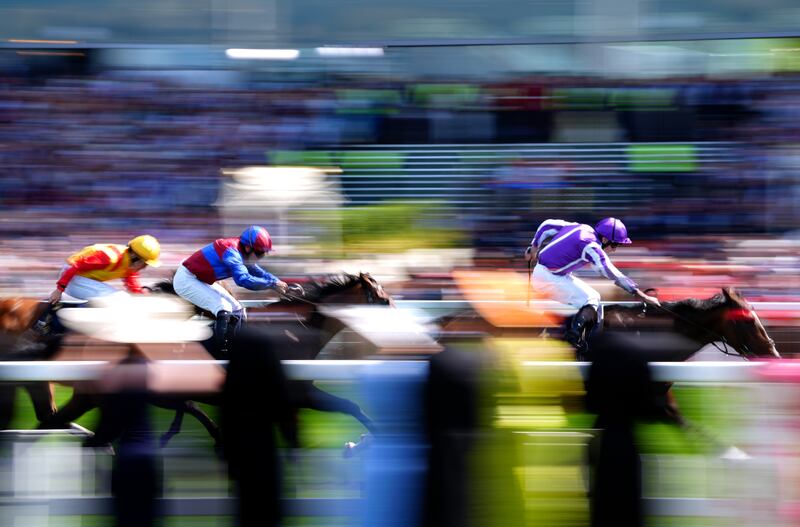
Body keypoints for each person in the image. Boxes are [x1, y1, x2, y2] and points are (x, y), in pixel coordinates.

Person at [525, 217, 659, 354]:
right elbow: (610, 272)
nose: (614, 250)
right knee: (590, 299)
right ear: (605, 240)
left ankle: (586, 343)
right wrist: (640, 295)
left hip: (551, 275)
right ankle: (573, 341)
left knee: (595, 299)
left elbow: (547, 225)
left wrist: (534, 247)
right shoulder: (591, 246)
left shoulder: (581, 227)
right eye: (615, 245)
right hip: (547, 278)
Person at [173, 225, 288, 353]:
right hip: (186, 279)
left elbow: (256, 271)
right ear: (248, 247)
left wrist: (277, 282)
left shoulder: (243, 251)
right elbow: (243, 280)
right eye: (260, 252)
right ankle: (223, 351)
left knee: (237, 309)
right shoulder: (231, 251)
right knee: (224, 308)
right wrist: (272, 284)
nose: (261, 256)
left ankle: (236, 345)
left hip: (200, 279)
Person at [48, 235, 162, 304]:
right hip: (70, 277)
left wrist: (144, 297)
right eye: (145, 264)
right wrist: (59, 290)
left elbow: (134, 287)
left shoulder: (129, 266)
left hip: (79, 280)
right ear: (135, 257)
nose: (144, 267)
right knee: (118, 298)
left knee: (123, 298)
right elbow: (75, 266)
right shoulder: (109, 257)